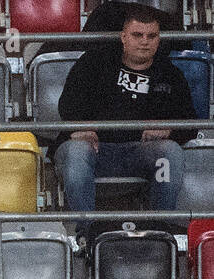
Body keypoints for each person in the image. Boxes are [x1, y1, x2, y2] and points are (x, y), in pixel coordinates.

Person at [54, 5, 196, 224]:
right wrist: (78, 128)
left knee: (169, 152)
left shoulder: (171, 74)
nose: (145, 41)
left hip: (139, 153)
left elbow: (190, 122)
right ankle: (86, 234)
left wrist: (169, 130)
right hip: (95, 149)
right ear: (123, 37)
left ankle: (159, 229)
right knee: (76, 152)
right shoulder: (93, 63)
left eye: (152, 36)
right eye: (137, 35)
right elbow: (67, 104)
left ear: (159, 39)